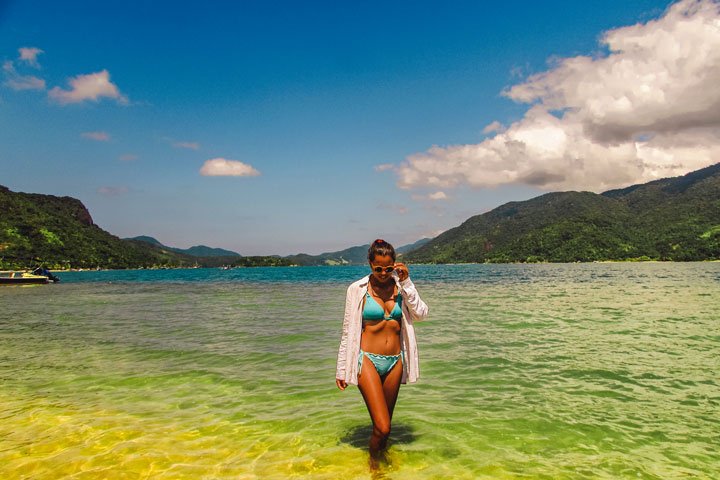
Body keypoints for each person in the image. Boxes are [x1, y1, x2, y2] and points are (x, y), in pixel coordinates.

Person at [336, 239, 429, 460]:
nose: (383, 273)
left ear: (395, 264)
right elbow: (348, 331)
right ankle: (374, 467)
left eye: (388, 268)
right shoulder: (357, 290)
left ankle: (383, 460)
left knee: (385, 422)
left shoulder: (401, 287)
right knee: (383, 426)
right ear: (370, 264)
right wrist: (341, 369)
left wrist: (407, 283)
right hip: (366, 360)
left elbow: (421, 314)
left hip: (395, 361)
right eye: (378, 268)